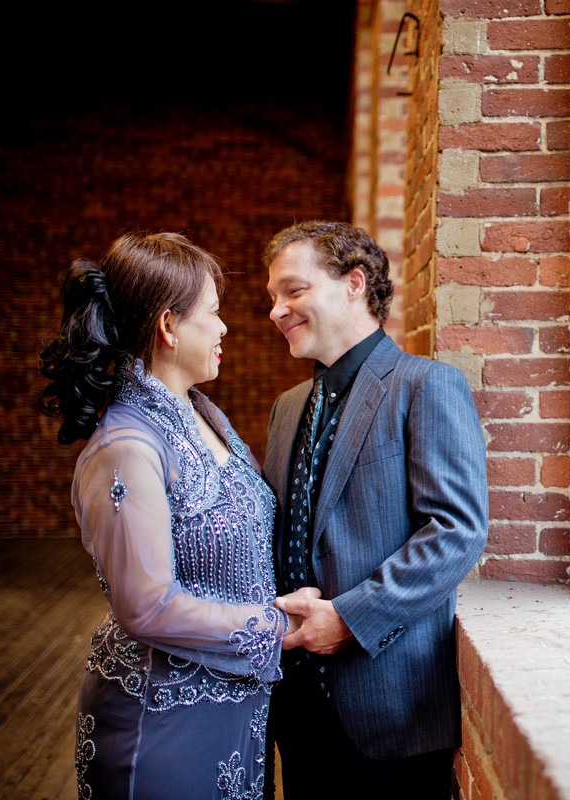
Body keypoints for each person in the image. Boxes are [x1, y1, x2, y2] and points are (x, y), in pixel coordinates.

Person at [38, 232, 291, 799]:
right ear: (169, 326)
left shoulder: (204, 414)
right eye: (214, 313)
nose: (225, 328)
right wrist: (279, 628)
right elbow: (146, 604)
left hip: (235, 710)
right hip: (161, 720)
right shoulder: (126, 444)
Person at [263, 220, 488, 799]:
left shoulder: (426, 386)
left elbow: (457, 530)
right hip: (295, 706)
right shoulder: (286, 408)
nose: (277, 311)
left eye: (293, 290)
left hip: (390, 708)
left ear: (354, 283)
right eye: (273, 298)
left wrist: (348, 619)